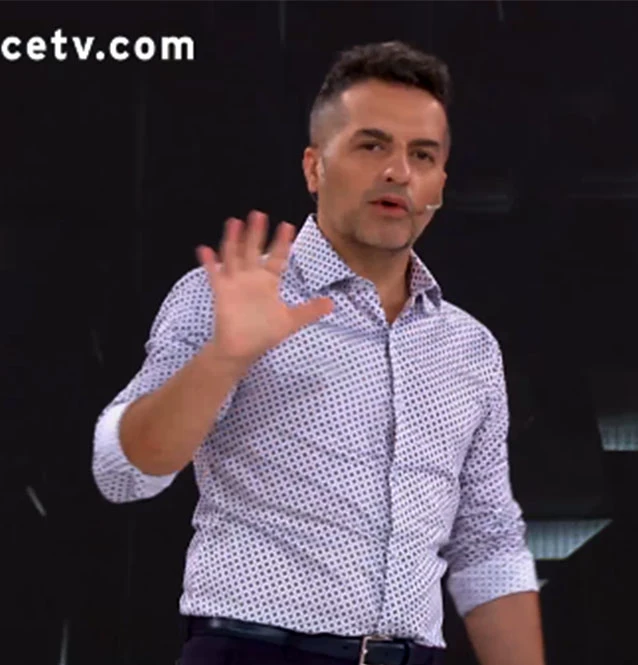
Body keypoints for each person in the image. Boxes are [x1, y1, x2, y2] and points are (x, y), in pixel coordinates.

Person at [91, 41, 545, 665]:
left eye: (422, 155)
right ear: (314, 167)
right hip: (255, 651)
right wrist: (225, 358)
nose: (399, 172)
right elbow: (122, 472)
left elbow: (487, 545)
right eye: (371, 146)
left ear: (440, 182)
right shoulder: (226, 297)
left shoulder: (469, 348)